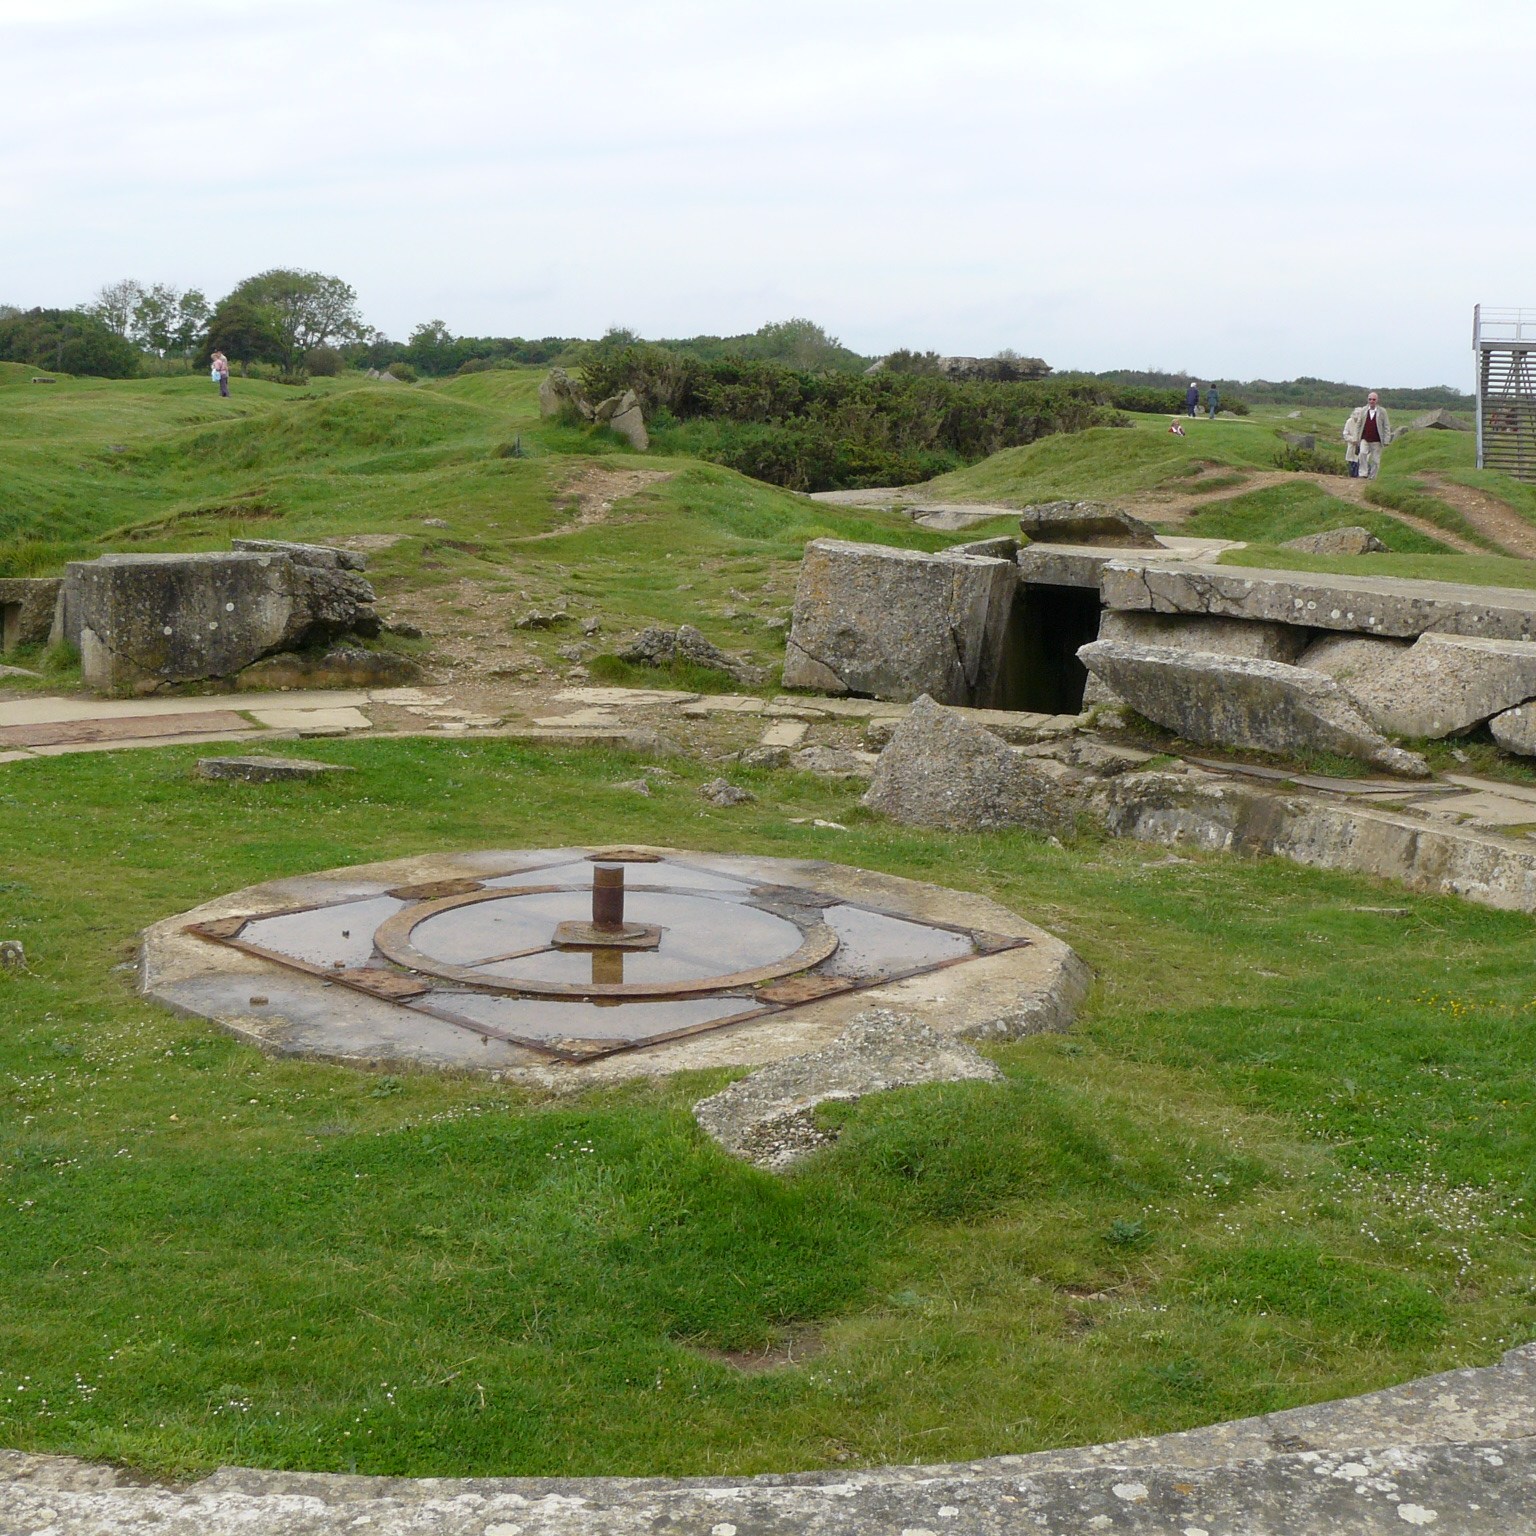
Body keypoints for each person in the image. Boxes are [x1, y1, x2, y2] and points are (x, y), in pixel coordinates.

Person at [1343, 391, 1391, 479]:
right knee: (1362, 453)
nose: (1371, 401)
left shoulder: (1382, 411)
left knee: (1376, 460)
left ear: (1377, 400)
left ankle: (1373, 476)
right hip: (1364, 438)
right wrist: (1356, 437)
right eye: (1370, 399)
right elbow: (1359, 424)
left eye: (1374, 399)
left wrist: (1387, 440)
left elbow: (1386, 426)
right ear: (1367, 400)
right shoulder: (1364, 410)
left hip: (1377, 440)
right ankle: (1363, 474)